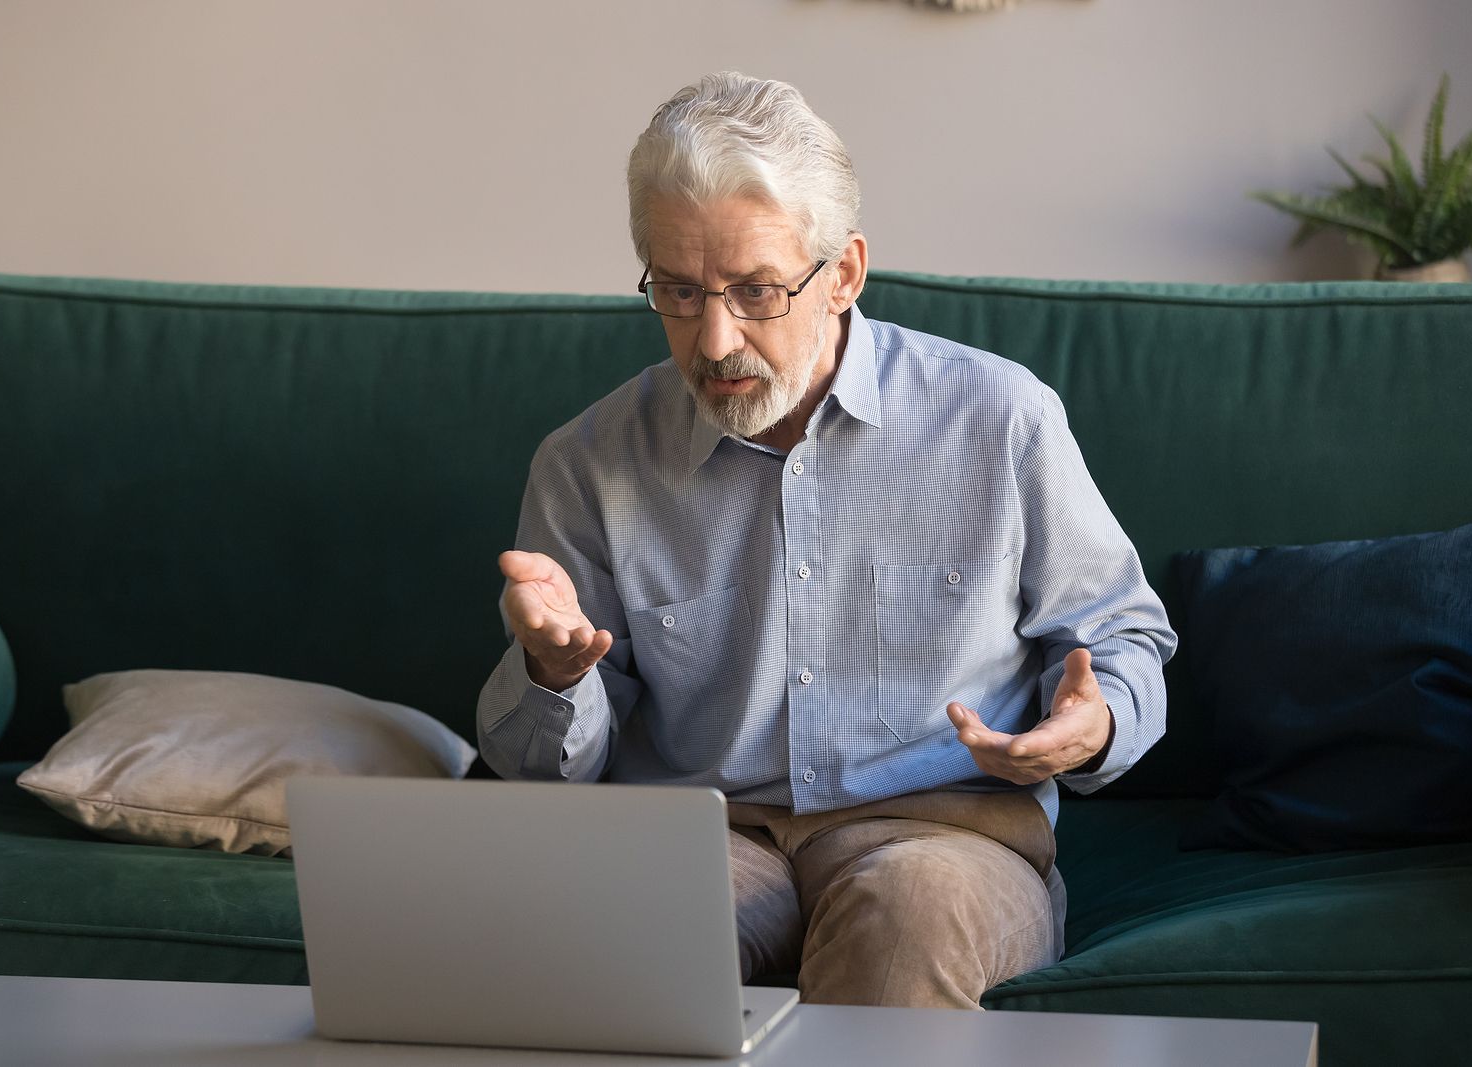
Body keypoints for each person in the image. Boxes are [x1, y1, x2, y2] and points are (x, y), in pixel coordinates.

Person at [477, 71, 1176, 1009]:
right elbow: (539, 771)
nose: (713, 337)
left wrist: (1090, 728)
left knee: (903, 916)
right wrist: (554, 674)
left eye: (755, 290)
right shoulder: (588, 460)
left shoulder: (1000, 419)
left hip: (947, 838)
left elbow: (1122, 636)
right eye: (678, 291)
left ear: (842, 273)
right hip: (703, 837)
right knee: (616, 931)